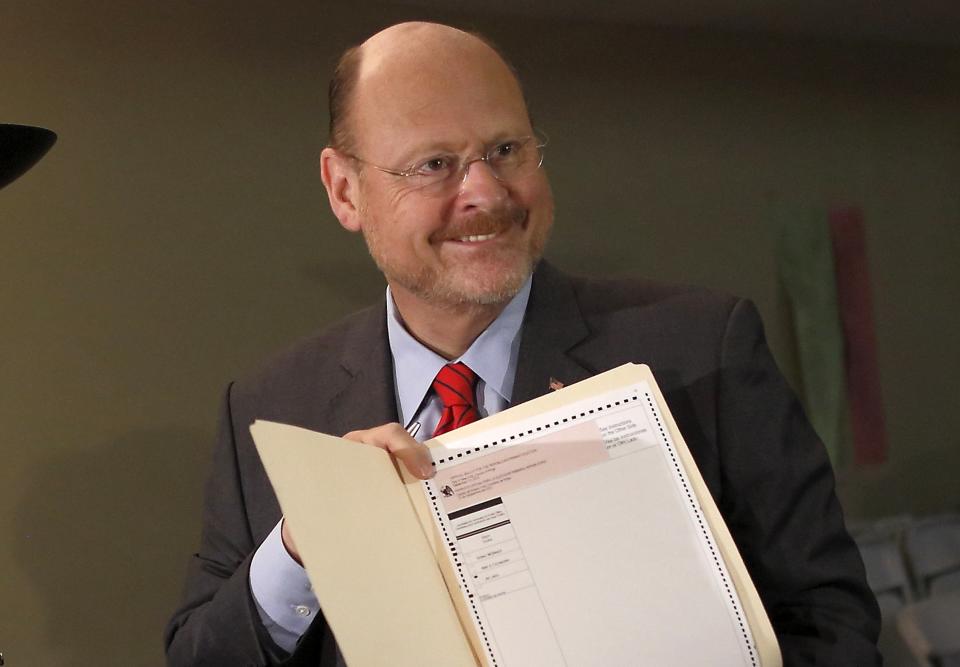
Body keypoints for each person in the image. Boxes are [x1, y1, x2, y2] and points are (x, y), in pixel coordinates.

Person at [164, 21, 881, 666]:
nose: (485, 192)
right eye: (434, 164)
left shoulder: (702, 349)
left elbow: (834, 626)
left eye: (506, 149)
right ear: (344, 191)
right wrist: (299, 548)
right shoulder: (271, 405)